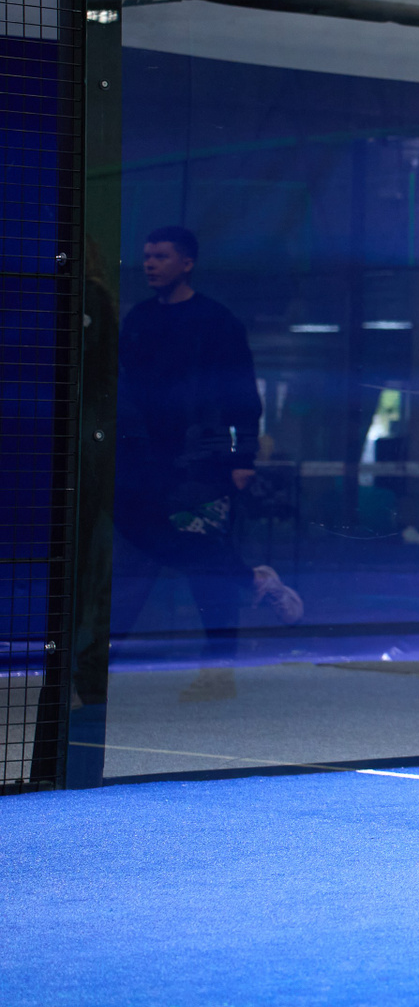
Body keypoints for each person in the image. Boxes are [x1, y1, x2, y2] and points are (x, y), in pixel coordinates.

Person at [115, 226, 266, 702]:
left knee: (203, 569)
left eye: (161, 256)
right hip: (147, 463)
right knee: (147, 556)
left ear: (187, 263)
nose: (149, 263)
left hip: (202, 463)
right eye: (147, 255)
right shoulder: (139, 319)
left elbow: (243, 393)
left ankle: (218, 671)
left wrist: (243, 458)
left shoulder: (216, 321)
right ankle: (250, 579)